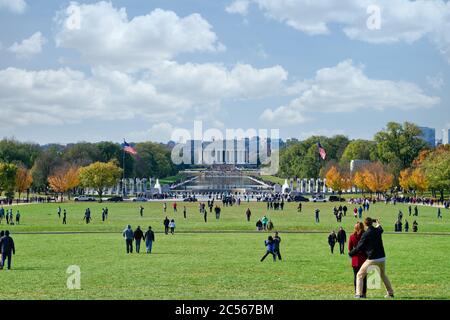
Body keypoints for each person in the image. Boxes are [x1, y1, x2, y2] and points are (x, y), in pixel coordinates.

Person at [349, 217, 394, 299]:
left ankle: (358, 294)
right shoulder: (378, 230)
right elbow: (380, 227)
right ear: (371, 223)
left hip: (372, 258)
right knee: (383, 275)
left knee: (359, 275)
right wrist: (377, 222)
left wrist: (351, 253)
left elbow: (359, 247)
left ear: (365, 224)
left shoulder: (366, 234)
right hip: (382, 257)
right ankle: (390, 293)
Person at [348, 222, 367, 298]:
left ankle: (357, 292)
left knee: (356, 277)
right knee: (364, 277)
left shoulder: (352, 236)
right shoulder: (365, 236)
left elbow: (349, 249)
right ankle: (364, 293)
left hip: (355, 259)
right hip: (364, 259)